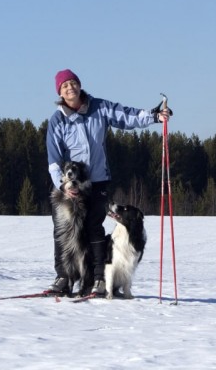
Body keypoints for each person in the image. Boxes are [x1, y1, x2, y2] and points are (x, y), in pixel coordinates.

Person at [46, 69, 171, 296]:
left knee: (94, 228)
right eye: (65, 86)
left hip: (97, 182)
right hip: (70, 187)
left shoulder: (99, 107)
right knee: (63, 230)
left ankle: (99, 279)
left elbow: (127, 116)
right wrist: (62, 184)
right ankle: (64, 277)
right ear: (60, 92)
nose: (70, 88)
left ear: (79, 85)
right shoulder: (57, 121)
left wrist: (154, 116)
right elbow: (53, 159)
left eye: (73, 83)